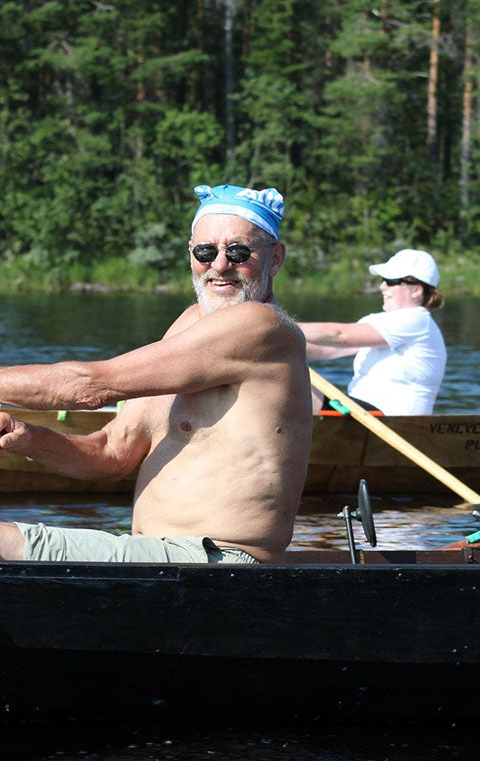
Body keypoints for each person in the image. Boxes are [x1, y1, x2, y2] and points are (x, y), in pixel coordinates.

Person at [0, 184, 313, 564]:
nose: (219, 265)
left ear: (275, 258)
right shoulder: (189, 325)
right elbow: (111, 453)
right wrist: (29, 438)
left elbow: (89, 387)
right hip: (159, 556)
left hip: (219, 562)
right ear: (191, 254)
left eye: (238, 252)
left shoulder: (262, 326)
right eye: (205, 251)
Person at [300, 249, 447, 415]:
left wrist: (278, 326)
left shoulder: (417, 320)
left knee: (290, 386)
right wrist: (277, 345)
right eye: (383, 280)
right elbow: (327, 350)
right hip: (360, 415)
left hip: (393, 421)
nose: (382, 286)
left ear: (416, 290)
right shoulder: (377, 322)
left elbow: (341, 336)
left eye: (391, 281)